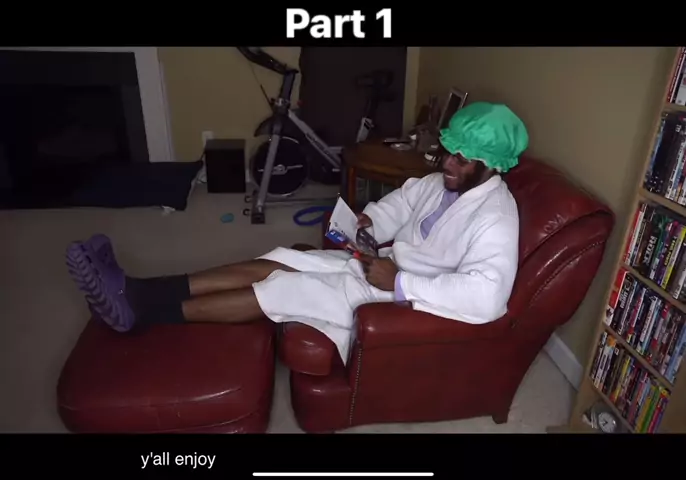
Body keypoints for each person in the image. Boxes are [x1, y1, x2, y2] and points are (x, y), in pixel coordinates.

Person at [65, 101, 529, 364]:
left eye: (460, 159)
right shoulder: (442, 181)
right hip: (377, 267)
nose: (447, 163)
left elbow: (487, 298)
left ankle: (141, 311)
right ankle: (139, 288)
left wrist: (401, 282)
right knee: (277, 260)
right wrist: (370, 221)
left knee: (279, 288)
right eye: (448, 151)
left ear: (492, 166)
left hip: (398, 299)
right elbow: (404, 201)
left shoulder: (495, 218)